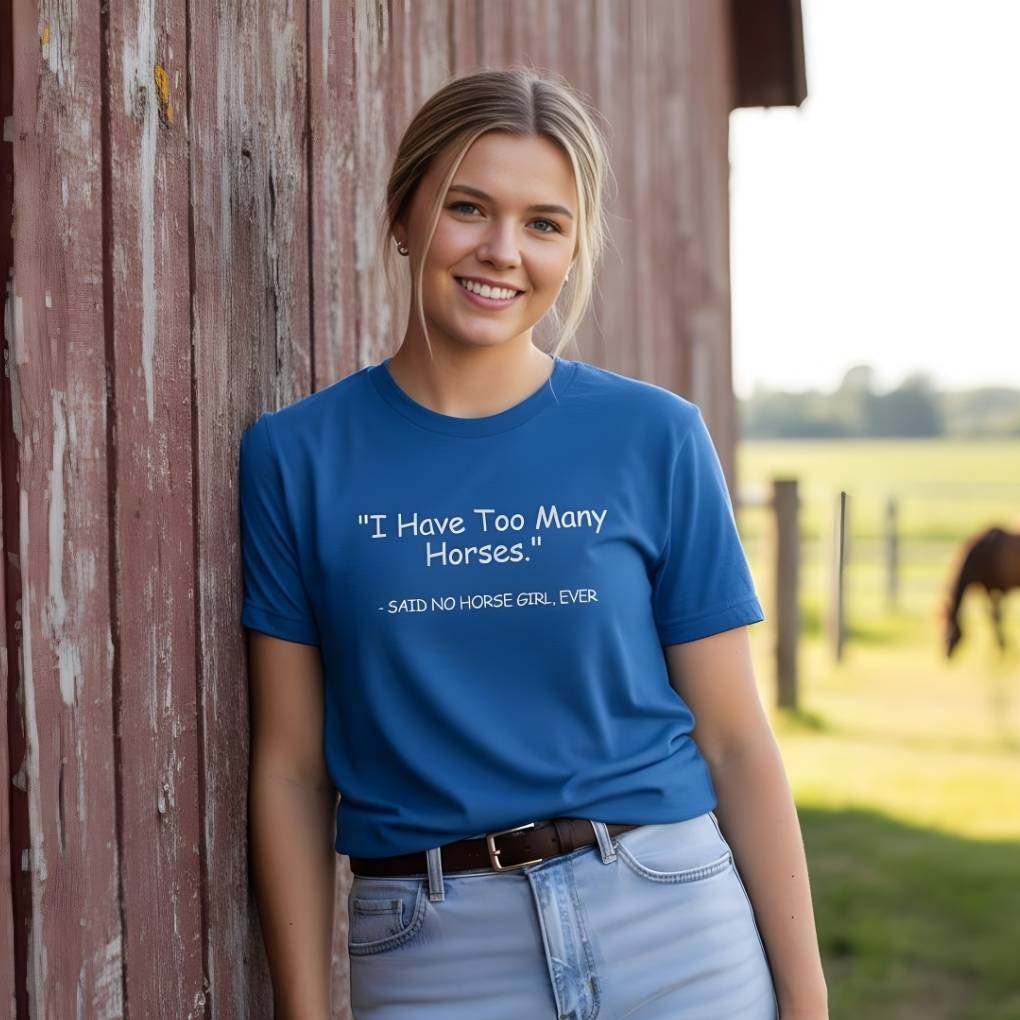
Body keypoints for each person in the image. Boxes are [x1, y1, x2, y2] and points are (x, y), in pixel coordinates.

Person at [240, 65, 829, 1020]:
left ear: (574, 246)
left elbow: (734, 738)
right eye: (469, 208)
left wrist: (805, 1001)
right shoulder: (295, 458)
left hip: (674, 923)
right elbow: (293, 769)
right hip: (433, 953)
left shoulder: (654, 437)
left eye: (544, 223)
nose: (502, 250)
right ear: (403, 215)